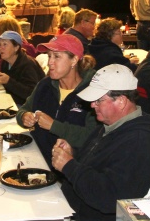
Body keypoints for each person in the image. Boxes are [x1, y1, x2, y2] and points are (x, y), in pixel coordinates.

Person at [2, 65, 150, 221]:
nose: (93, 105)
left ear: (121, 101)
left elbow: (109, 198)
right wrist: (73, 154)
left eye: (99, 100)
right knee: (20, 213)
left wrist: (70, 166)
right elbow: (99, 165)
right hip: (78, 211)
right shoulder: (113, 126)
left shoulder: (140, 143)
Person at [16, 35, 98, 165]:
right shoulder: (45, 85)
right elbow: (23, 109)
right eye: (49, 56)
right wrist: (24, 116)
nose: (50, 62)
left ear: (74, 60)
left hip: (70, 170)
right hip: (36, 160)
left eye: (57, 56)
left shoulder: (93, 93)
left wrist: (54, 126)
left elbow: (92, 138)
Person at [0, 31, 45, 105]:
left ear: (16, 47)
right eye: (0, 44)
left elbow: (31, 94)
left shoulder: (27, 64)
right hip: (13, 101)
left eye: (5, 44)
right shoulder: (6, 62)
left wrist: (9, 81)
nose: (1, 48)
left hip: (30, 108)